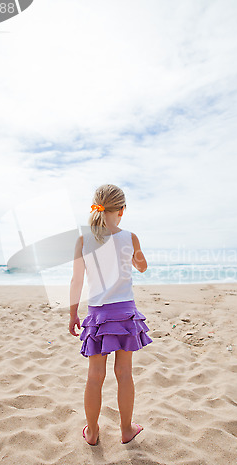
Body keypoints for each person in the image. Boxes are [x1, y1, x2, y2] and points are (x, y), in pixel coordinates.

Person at [68, 184, 153, 446]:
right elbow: (142, 267)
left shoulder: (84, 240)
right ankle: (126, 429)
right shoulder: (130, 237)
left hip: (97, 315)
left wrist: (73, 314)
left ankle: (92, 432)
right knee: (124, 373)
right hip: (125, 313)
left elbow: (77, 280)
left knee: (95, 376)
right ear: (122, 210)